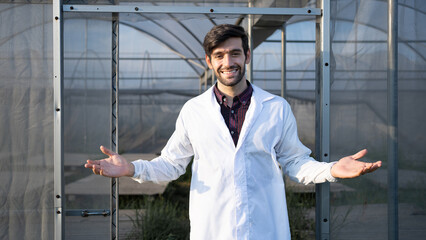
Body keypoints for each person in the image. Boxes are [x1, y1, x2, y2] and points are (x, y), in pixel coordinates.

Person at [85, 24, 381, 239]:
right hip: (212, 228)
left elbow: (295, 162)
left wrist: (331, 169)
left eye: (235, 54)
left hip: (265, 228)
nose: (228, 62)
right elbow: (172, 164)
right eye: (220, 55)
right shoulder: (194, 110)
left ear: (247, 56)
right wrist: (132, 168)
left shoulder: (275, 108)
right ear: (210, 61)